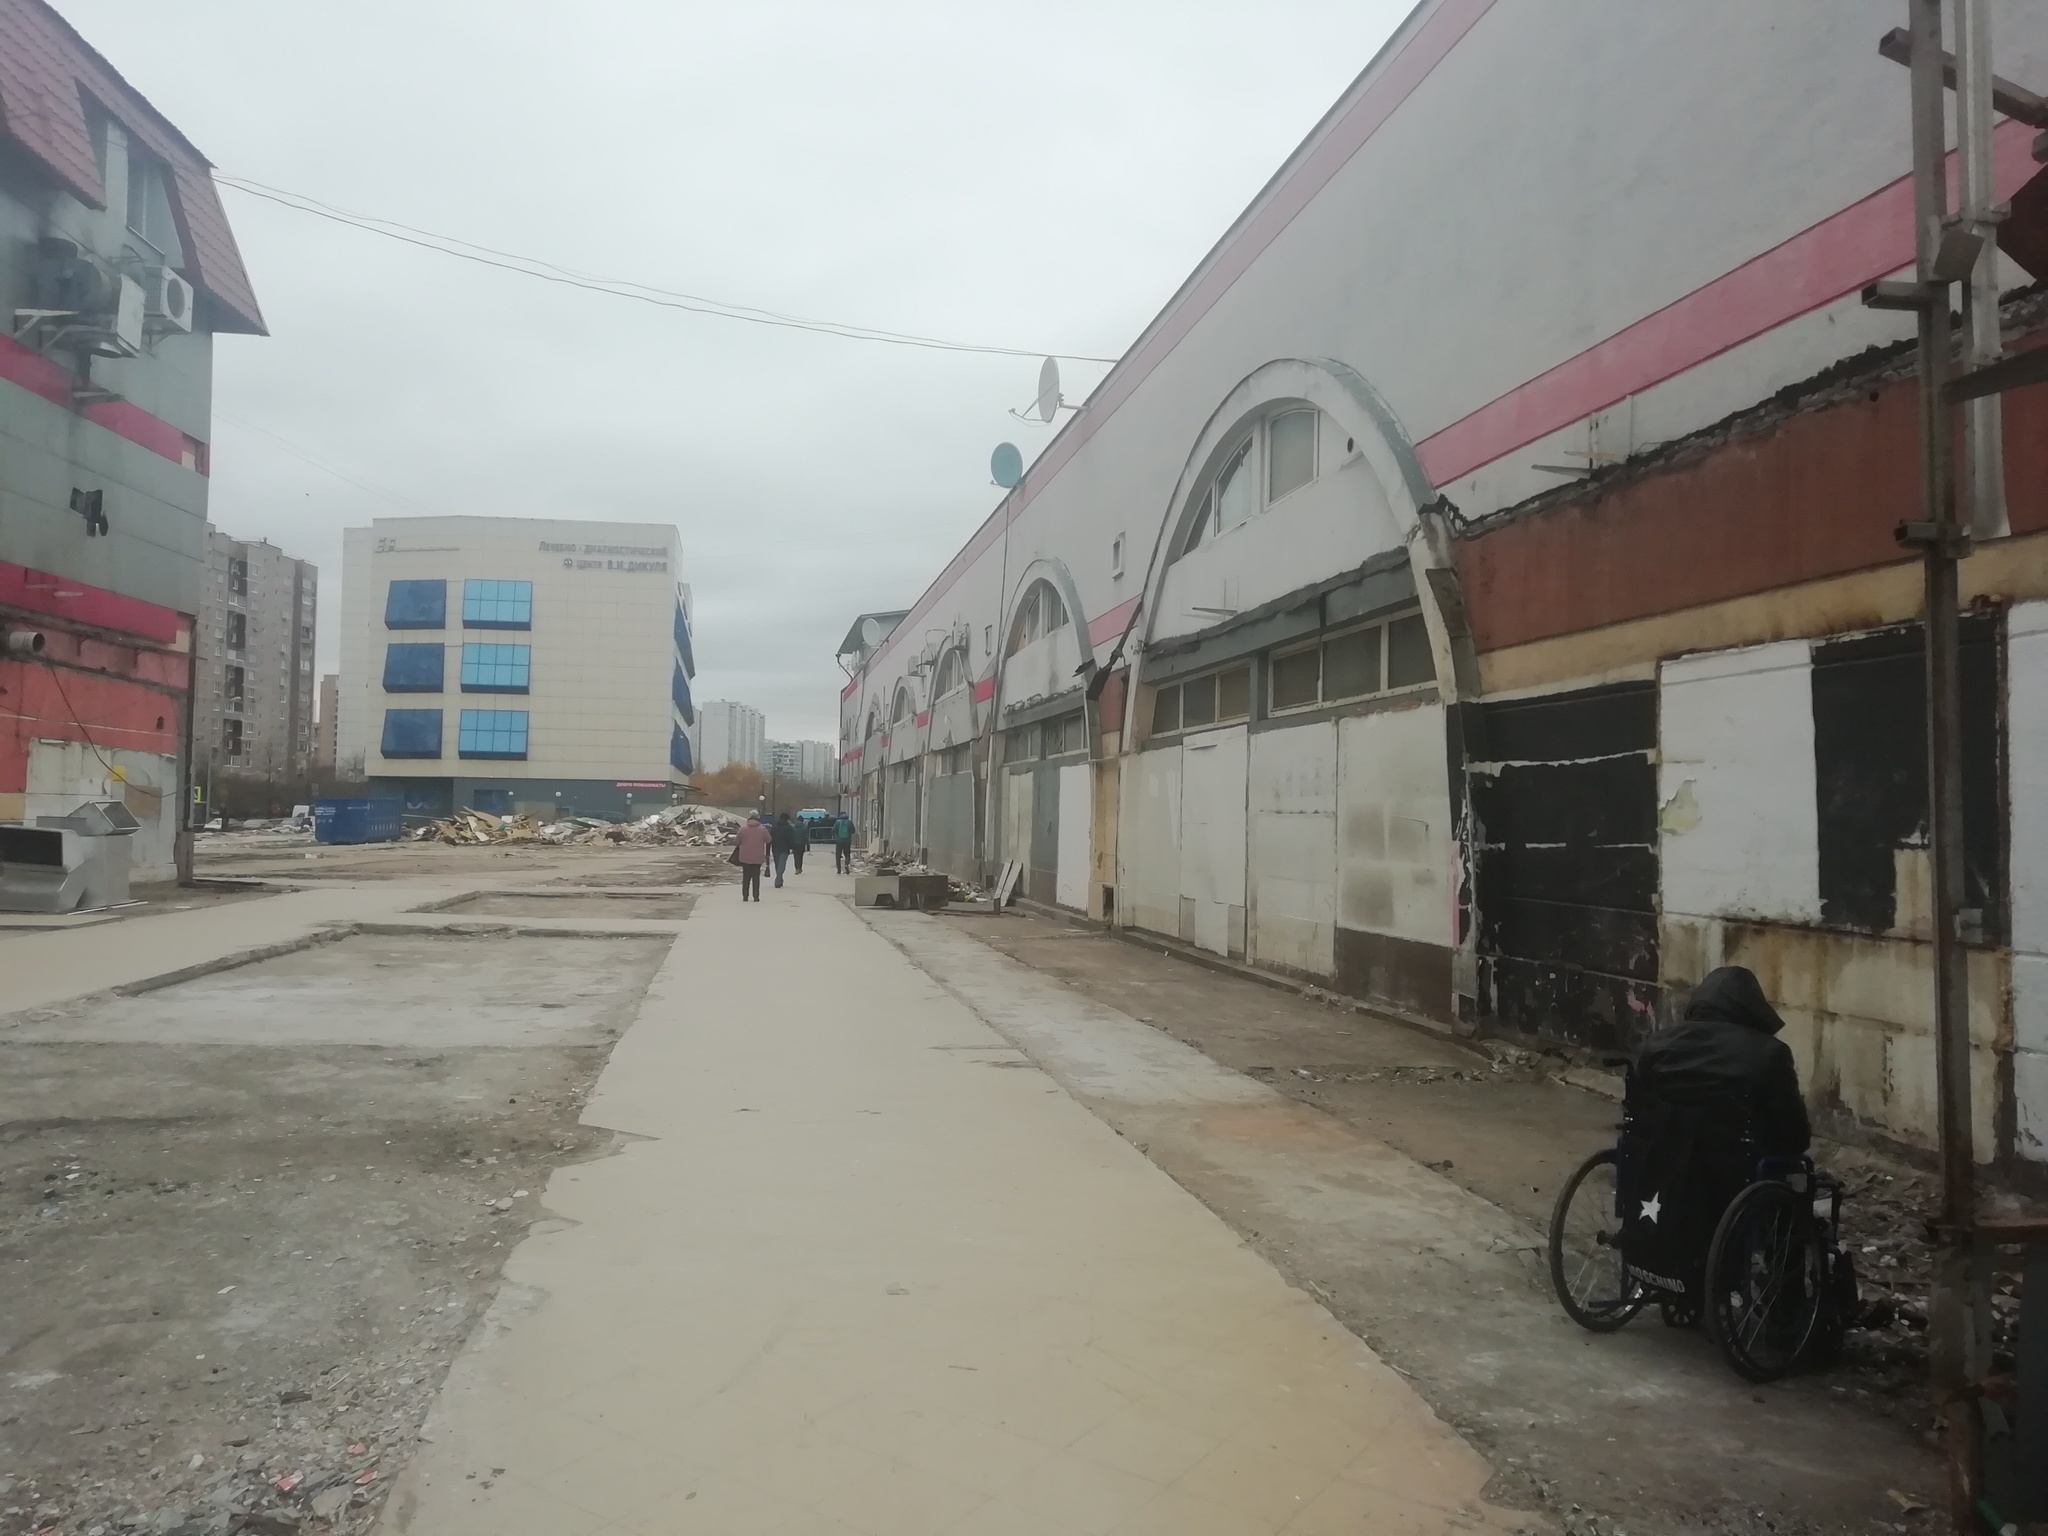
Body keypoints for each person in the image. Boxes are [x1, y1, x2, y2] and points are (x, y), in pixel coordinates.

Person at [1619, 966, 1810, 1300]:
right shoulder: (1768, 1053)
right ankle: (1786, 1310)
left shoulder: (1659, 1043)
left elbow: (1640, 1112)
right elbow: (1793, 1135)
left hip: (1659, 1168)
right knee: (1794, 1182)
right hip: (1732, 1176)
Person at [733, 811, 771, 903]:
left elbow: (737, 841)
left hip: (745, 856)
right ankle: (756, 896)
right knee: (756, 877)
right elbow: (769, 839)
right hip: (757, 857)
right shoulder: (762, 829)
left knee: (746, 877)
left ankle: (745, 896)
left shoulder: (743, 828)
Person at [770, 811, 796, 888]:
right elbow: (792, 839)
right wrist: (792, 847)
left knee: (777, 863)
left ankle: (779, 878)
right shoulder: (789, 828)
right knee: (782, 863)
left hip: (775, 848)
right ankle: (778, 878)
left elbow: (770, 838)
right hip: (785, 848)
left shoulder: (774, 827)